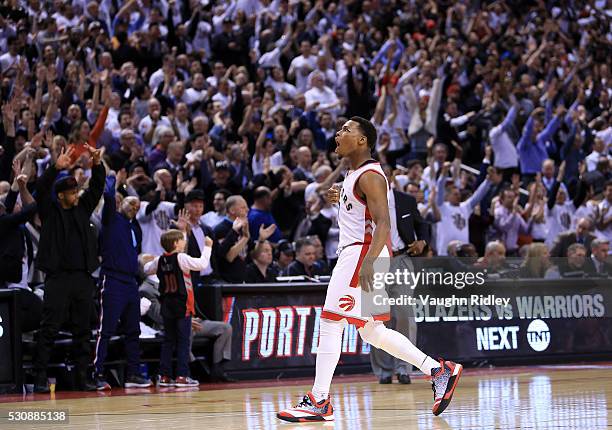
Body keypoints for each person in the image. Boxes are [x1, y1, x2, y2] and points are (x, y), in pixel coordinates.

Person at [278, 117, 462, 423]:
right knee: (372, 330)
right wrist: (337, 196)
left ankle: (319, 400)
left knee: (330, 321)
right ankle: (437, 369)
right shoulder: (354, 175)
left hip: (361, 254)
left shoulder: (371, 176)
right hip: (364, 254)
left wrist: (369, 263)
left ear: (363, 140)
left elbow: (383, 225)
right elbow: (343, 204)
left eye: (346, 130)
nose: (338, 134)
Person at [34, 145, 104, 393]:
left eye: (76, 191)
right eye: (72, 192)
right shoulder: (50, 211)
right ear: (61, 195)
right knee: (50, 327)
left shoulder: (82, 209)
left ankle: (83, 376)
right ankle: (40, 376)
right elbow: (40, 189)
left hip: (83, 277)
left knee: (83, 329)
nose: (76, 194)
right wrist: (56, 167)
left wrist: (97, 164)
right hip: (58, 278)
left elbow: (96, 188)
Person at [370, 171, 430, 385]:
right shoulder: (365, 200)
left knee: (405, 314)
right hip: (375, 261)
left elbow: (422, 224)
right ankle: (384, 371)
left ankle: (404, 367)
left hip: (401, 258)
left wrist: (422, 240)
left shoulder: (406, 200)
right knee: (377, 318)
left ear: (391, 178)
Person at [93, 173, 152, 390]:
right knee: (105, 329)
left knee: (133, 330)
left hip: (130, 283)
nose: (133, 207)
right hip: (113, 279)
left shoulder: (132, 226)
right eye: (129, 203)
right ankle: (96, 373)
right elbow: (108, 196)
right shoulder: (110, 218)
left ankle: (133, 374)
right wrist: (112, 180)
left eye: (137, 206)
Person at [143, 229, 213, 387]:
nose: (185, 242)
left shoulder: (160, 260)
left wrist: (156, 260)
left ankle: (164, 376)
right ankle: (182, 376)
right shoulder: (181, 258)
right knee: (183, 341)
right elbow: (202, 264)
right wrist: (208, 247)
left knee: (168, 341)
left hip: (167, 305)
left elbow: (146, 268)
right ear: (175, 243)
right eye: (182, 239)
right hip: (182, 304)